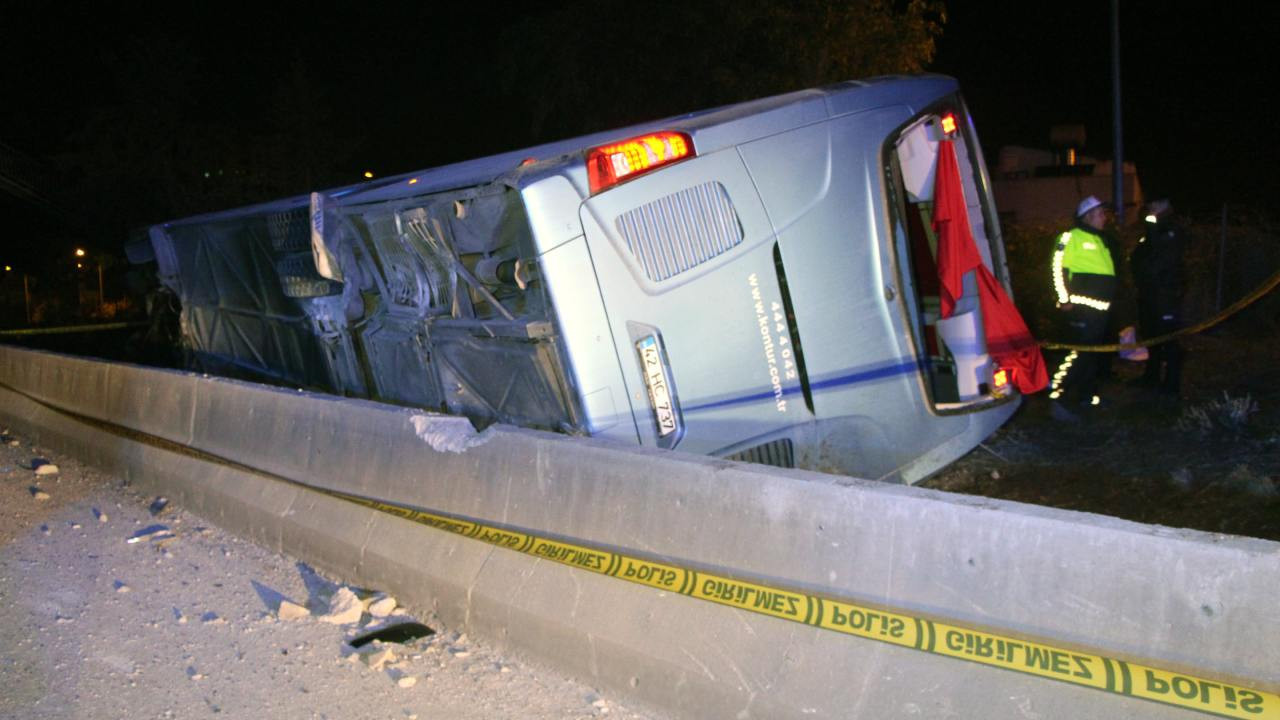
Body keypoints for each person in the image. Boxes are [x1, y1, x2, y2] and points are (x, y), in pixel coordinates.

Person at [1048, 195, 1117, 420]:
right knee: (1078, 353)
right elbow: (1057, 267)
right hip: (1080, 307)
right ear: (1087, 216)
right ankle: (1056, 393)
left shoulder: (1101, 239)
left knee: (1091, 355)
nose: (1104, 218)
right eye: (1099, 213)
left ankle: (1087, 396)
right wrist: (1064, 298)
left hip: (1100, 310)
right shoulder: (1070, 237)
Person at [1130, 197, 1186, 396]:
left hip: (1165, 294)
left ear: (1164, 205)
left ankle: (1171, 386)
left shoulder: (1170, 229)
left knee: (1168, 340)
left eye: (1154, 203)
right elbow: (1142, 257)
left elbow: (1161, 261)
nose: (1149, 207)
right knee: (1151, 336)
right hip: (1150, 293)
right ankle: (1151, 377)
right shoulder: (1153, 228)